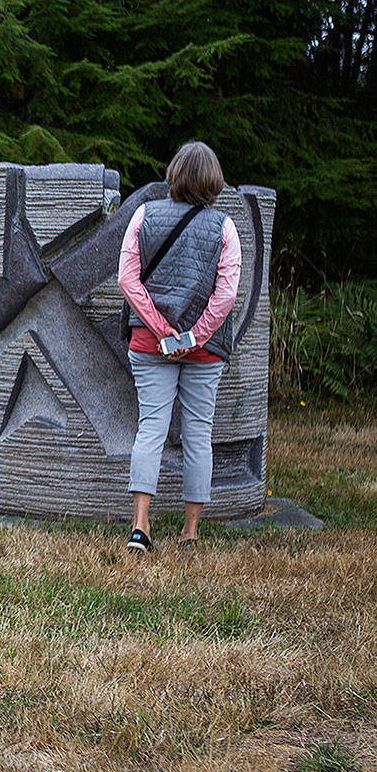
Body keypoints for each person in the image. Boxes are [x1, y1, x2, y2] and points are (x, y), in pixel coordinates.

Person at [118, 141, 241, 551]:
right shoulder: (225, 227)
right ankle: (189, 533)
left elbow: (127, 280)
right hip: (204, 351)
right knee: (198, 433)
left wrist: (163, 331)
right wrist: (193, 337)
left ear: (174, 174)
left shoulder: (143, 214)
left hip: (151, 344)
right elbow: (225, 297)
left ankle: (140, 528)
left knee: (150, 429)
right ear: (213, 181)